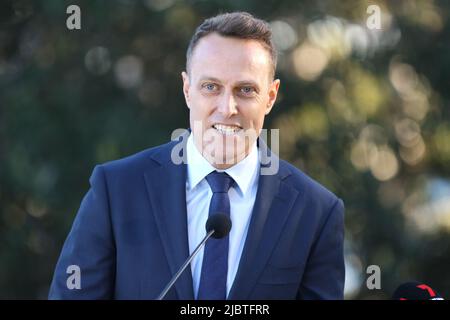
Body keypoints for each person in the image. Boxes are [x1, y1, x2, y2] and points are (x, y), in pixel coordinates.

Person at [49, 11, 345, 300]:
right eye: (210, 87)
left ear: (270, 96)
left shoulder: (316, 213)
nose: (227, 107)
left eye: (245, 90)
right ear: (187, 89)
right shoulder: (115, 191)